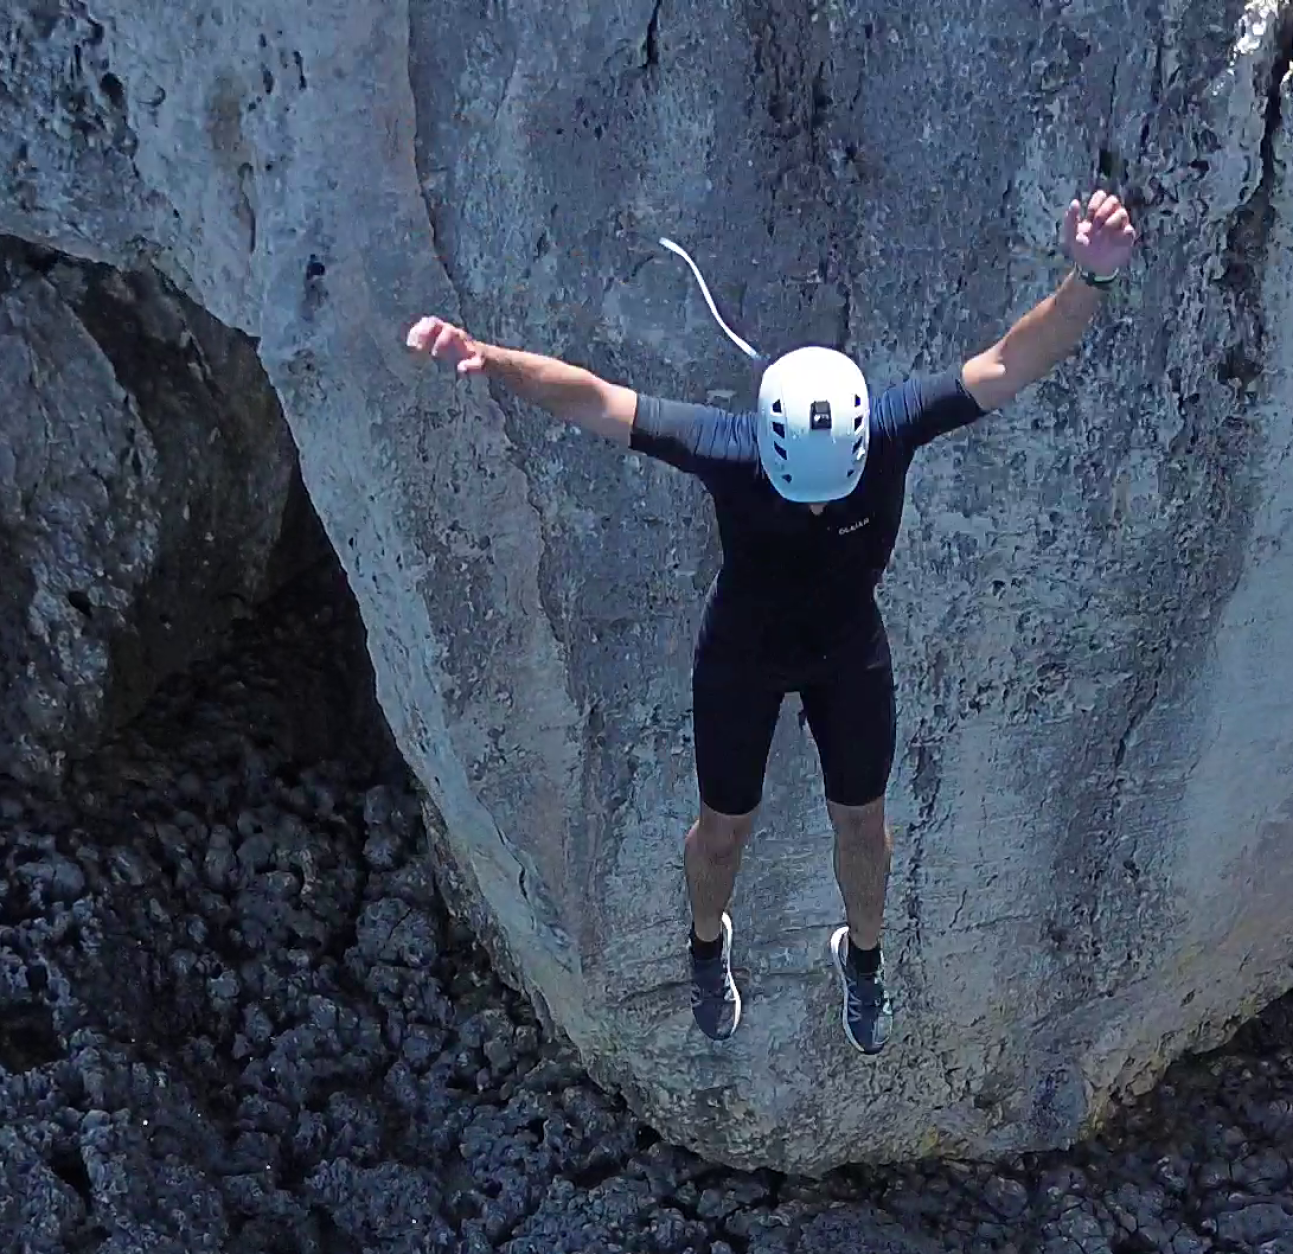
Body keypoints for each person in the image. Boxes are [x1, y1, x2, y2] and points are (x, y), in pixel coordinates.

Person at [406, 191, 1140, 1052]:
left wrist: (1090, 276)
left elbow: (1017, 359)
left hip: (843, 653)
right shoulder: (732, 448)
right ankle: (707, 945)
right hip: (744, 655)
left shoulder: (892, 430)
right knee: (722, 833)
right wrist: (486, 358)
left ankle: (860, 959)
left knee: (862, 825)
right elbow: (593, 399)